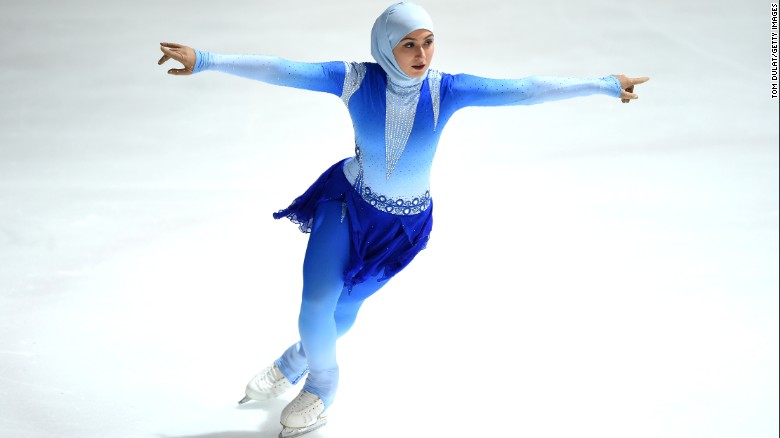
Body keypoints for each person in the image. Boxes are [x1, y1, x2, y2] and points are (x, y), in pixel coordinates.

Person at [157, 2, 649, 437]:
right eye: (408, 44)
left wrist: (605, 85)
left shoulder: (446, 90)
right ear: (385, 46)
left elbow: (523, 89)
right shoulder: (353, 80)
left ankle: (296, 360)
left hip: (400, 229)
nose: (421, 54)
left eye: (428, 42)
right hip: (346, 202)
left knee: (341, 312)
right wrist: (207, 60)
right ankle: (324, 387)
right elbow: (284, 69)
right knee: (315, 307)